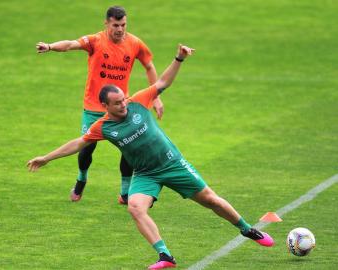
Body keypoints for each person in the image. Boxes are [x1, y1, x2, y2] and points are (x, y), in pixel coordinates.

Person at [27, 45, 274, 269]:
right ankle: (165, 256)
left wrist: (179, 58)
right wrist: (47, 158)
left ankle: (247, 229)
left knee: (210, 200)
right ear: (105, 106)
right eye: (116, 103)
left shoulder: (138, 102)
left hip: (172, 163)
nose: (123, 104)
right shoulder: (103, 127)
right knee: (135, 208)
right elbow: (78, 143)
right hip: (146, 174)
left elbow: (163, 82)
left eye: (123, 99)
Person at [36, 6, 162, 204]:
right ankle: (81, 178)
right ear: (106, 23)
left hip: (121, 108)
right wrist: (50, 46)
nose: (120, 29)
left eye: (123, 25)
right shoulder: (95, 41)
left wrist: (156, 98)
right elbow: (70, 44)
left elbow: (149, 65)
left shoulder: (135, 43)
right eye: (115, 25)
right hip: (94, 108)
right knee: (86, 148)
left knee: (128, 147)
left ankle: (125, 192)